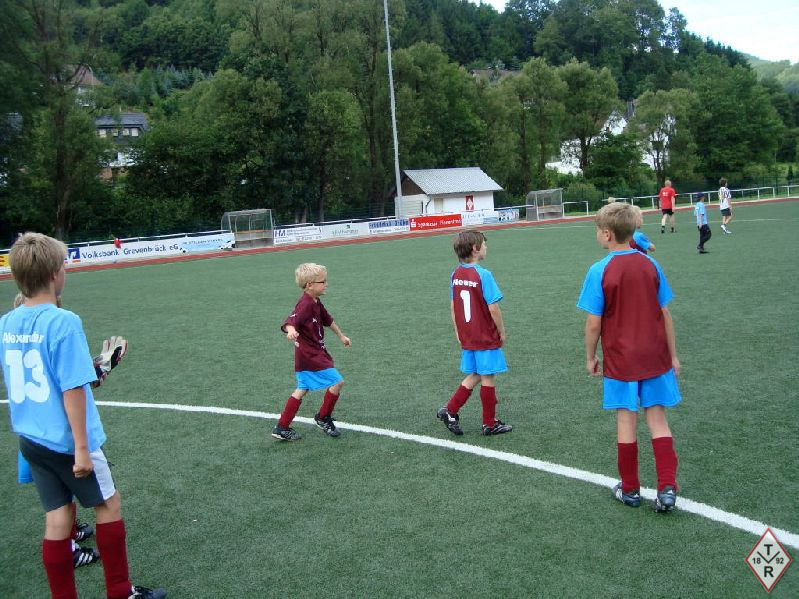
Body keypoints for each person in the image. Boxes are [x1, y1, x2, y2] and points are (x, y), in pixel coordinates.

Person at [0, 232, 166, 599]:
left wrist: (98, 366)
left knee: (58, 517)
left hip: (31, 439)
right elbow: (71, 389)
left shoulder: (6, 323)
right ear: (54, 274)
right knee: (108, 504)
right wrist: (81, 448)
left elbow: (41, 376)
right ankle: (120, 591)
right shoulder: (63, 321)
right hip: (67, 440)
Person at [577, 203, 681, 513]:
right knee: (657, 418)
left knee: (626, 419)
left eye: (598, 230)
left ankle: (631, 488)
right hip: (655, 355)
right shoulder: (650, 264)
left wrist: (590, 356)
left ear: (607, 234)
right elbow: (665, 313)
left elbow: (593, 323)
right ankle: (667, 488)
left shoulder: (599, 270)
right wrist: (673, 355)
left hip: (621, 359)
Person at [437, 230, 512, 436]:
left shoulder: (455, 274)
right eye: (484, 244)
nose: (486, 247)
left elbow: (454, 305)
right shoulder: (483, 274)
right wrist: (501, 331)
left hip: (468, 333)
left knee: (478, 373)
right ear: (475, 249)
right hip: (484, 333)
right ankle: (489, 423)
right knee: (487, 376)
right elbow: (493, 308)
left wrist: (457, 329)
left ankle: (450, 410)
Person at [273, 263, 351, 441]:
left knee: (302, 388)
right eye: (322, 281)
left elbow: (328, 320)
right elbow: (290, 321)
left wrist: (341, 336)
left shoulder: (315, 301)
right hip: (310, 356)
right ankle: (323, 417)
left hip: (311, 354)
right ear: (309, 285)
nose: (326, 284)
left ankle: (282, 427)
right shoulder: (305, 304)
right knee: (337, 382)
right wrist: (291, 330)